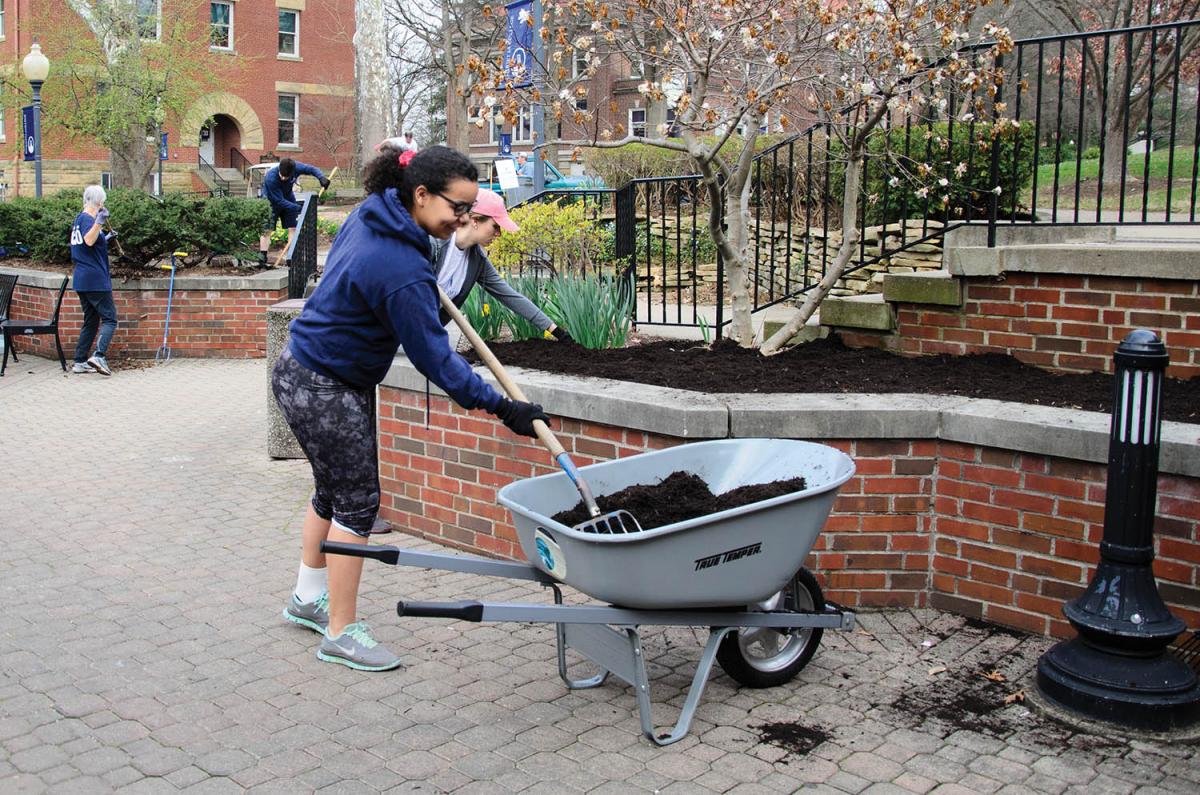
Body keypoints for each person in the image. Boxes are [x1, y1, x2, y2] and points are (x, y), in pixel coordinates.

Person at [272, 145, 548, 672]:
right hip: (327, 385)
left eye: (470, 211)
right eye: (458, 209)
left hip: (300, 369)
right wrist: (502, 407)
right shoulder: (401, 267)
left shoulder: (374, 212)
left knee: (331, 492)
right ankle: (341, 632)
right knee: (357, 505)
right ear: (419, 195)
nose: (464, 220)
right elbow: (436, 362)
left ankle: (309, 598)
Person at [431, 188, 574, 345]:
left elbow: (509, 296)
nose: (499, 234)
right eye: (495, 226)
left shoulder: (477, 260)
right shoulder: (434, 242)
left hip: (422, 332)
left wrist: (557, 332)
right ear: (474, 220)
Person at [69, 185, 119, 376]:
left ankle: (80, 361)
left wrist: (105, 238)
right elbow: (89, 241)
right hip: (95, 279)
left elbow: (87, 245)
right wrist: (99, 222)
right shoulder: (87, 219)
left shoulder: (79, 220)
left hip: (83, 279)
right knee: (110, 319)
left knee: (90, 321)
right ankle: (99, 355)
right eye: (102, 203)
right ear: (99, 202)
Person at [259, 157, 330, 262]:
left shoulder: (296, 167)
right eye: (282, 176)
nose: (283, 178)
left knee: (293, 227)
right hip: (271, 202)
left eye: (286, 177)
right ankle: (262, 258)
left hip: (288, 197)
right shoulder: (271, 178)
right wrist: (298, 207)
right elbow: (279, 201)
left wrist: (321, 177)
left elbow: (311, 169)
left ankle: (291, 257)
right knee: (267, 230)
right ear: (279, 169)